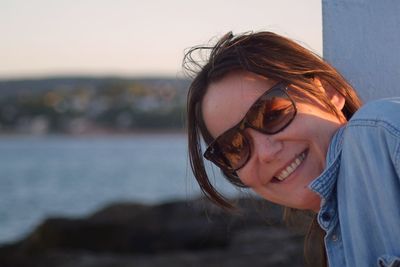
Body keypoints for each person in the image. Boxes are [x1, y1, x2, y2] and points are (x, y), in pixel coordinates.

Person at [183, 31, 400, 267]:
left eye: (273, 114)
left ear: (328, 91)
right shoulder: (341, 231)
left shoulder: (380, 132)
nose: (265, 153)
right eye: (234, 147)